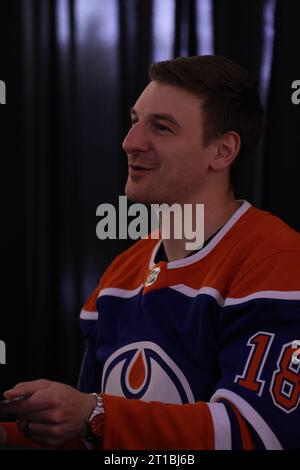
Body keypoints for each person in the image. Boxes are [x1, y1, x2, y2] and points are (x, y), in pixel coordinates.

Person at [0, 55, 299, 450]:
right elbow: (98, 441)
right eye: (134, 120)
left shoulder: (277, 260)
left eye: (161, 127)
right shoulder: (119, 276)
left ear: (222, 151)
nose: (130, 142)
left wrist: (95, 414)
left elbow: (257, 434)